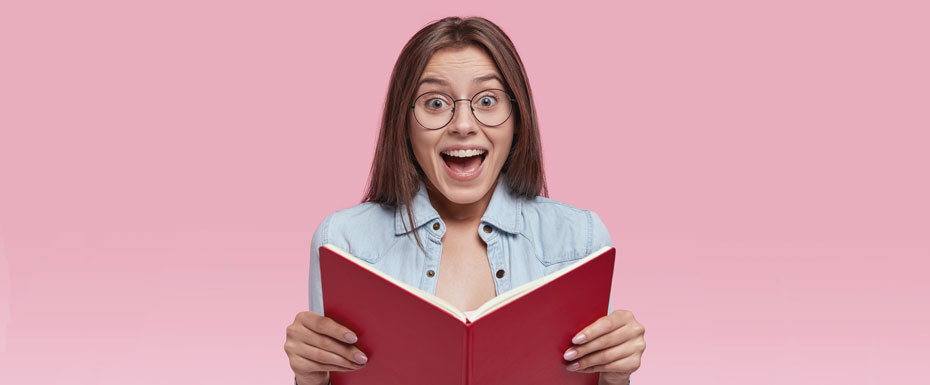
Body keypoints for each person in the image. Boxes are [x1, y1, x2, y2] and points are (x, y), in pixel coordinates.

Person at [284, 16, 645, 385]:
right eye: (435, 102)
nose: (462, 124)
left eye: (487, 101)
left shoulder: (580, 238)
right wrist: (310, 380)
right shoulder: (342, 241)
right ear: (404, 124)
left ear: (516, 118)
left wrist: (615, 378)